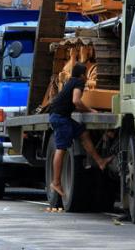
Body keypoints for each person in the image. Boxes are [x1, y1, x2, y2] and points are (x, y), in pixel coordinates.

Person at [48, 62, 113, 201]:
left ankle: (100, 161)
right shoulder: (79, 82)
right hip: (60, 118)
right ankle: (56, 182)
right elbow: (76, 101)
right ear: (84, 75)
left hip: (60, 116)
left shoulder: (71, 81)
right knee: (61, 148)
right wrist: (90, 110)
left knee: (83, 134)